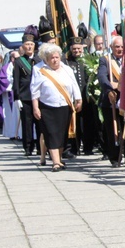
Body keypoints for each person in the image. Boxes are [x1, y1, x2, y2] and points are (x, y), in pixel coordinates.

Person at [30, 43, 82, 171]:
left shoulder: (67, 70)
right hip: (47, 107)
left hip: (65, 106)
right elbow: (34, 91)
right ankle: (56, 162)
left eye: (57, 57)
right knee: (51, 134)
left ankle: (59, 159)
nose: (55, 60)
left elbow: (74, 85)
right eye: (52, 58)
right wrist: (35, 107)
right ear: (46, 60)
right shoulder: (41, 71)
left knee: (62, 135)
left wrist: (78, 99)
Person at [13, 26, 41, 155]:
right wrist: (17, 98)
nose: (29, 47)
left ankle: (41, 148)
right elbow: (16, 81)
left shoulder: (40, 60)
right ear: (23, 46)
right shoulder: (19, 62)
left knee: (40, 124)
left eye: (31, 44)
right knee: (27, 124)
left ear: (34, 45)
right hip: (25, 97)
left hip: (39, 97)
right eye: (27, 44)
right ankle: (28, 147)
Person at [98, 36, 125, 166]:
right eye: (117, 46)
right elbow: (102, 77)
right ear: (112, 47)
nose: (120, 49)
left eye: (121, 46)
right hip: (111, 99)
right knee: (112, 130)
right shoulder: (105, 60)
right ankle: (114, 157)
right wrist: (109, 89)